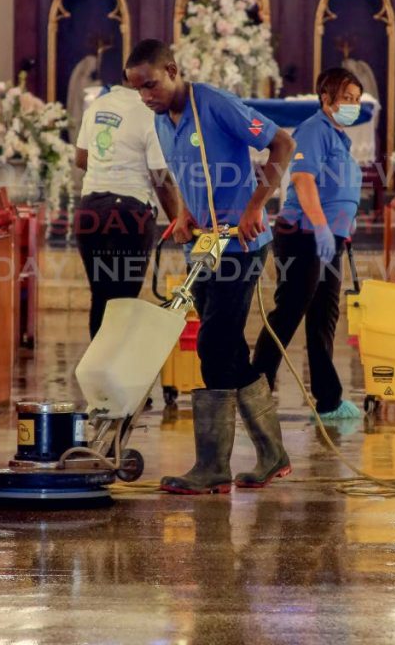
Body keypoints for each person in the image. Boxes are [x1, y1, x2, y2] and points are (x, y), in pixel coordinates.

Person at [124, 39, 296, 494]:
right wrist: (182, 213)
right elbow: (180, 174)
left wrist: (257, 205)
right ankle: (273, 453)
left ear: (174, 70)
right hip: (203, 246)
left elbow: (283, 141)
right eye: (138, 90)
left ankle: (212, 466)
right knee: (229, 350)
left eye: (151, 85)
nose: (146, 97)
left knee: (213, 344)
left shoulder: (215, 104)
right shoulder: (163, 120)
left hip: (241, 245)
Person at [253, 67, 364, 421]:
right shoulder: (316, 129)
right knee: (289, 313)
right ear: (326, 99)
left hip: (328, 238)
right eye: (347, 98)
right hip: (303, 235)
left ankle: (328, 400)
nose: (353, 105)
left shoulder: (338, 136)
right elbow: (302, 180)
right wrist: (319, 227)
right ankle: (255, 388)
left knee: (323, 317)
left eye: (357, 99)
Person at [74, 82, 180, 340]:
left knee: (100, 295)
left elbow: (80, 158)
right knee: (123, 300)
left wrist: (109, 170)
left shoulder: (97, 105)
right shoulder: (149, 113)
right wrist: (178, 219)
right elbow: (160, 178)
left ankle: (98, 372)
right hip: (130, 214)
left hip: (90, 210)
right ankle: (116, 373)